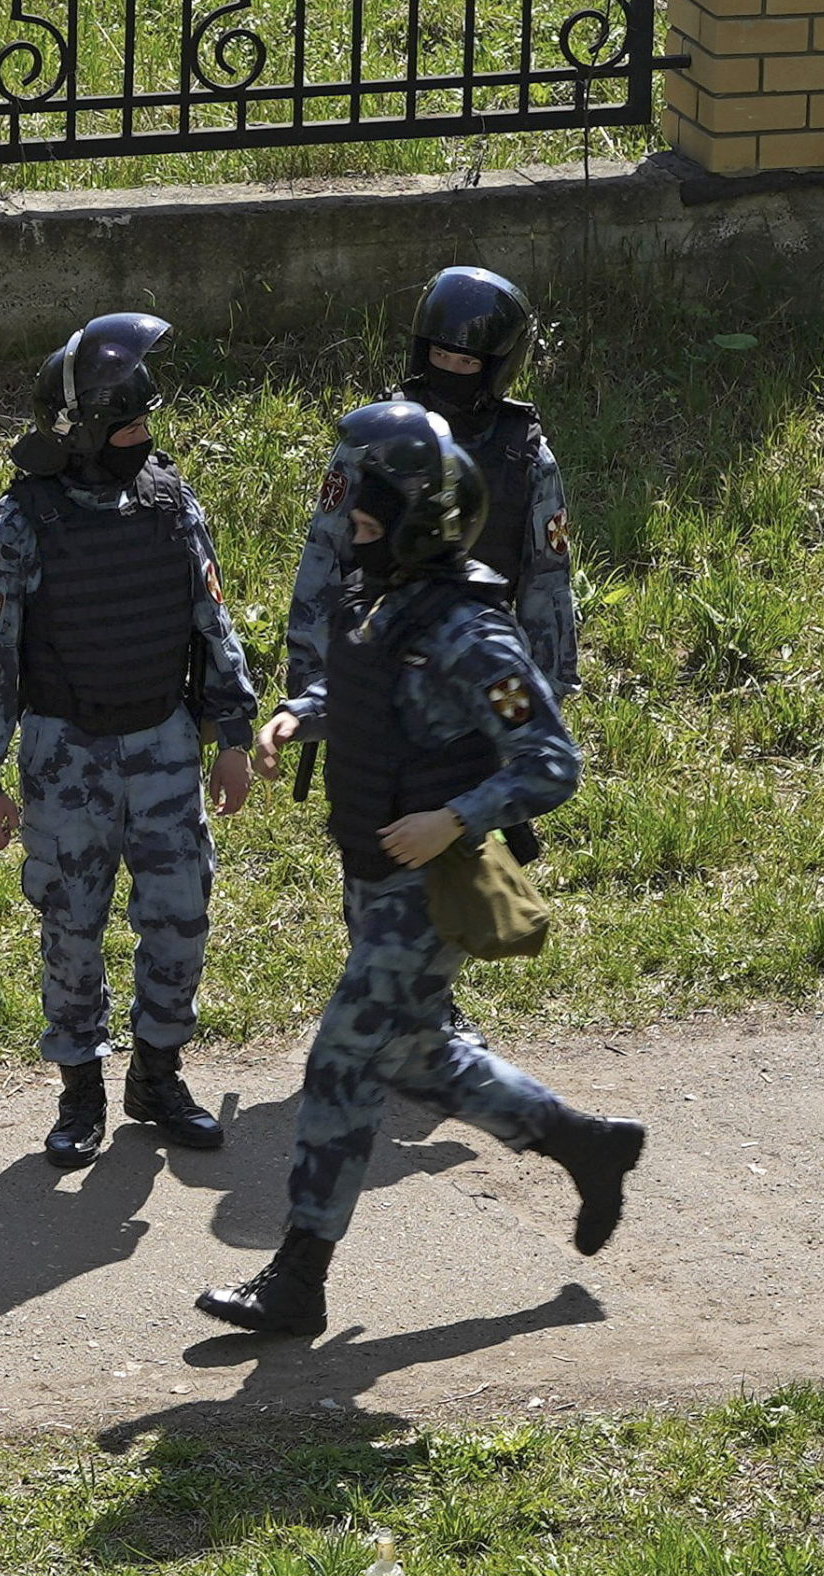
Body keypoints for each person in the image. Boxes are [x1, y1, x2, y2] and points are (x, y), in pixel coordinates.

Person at [198, 400, 643, 1337]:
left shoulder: (474, 634)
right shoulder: (388, 603)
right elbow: (363, 685)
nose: (349, 531)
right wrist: (296, 715)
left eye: (364, 520)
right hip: (370, 872)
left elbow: (551, 762)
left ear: (416, 525)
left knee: (342, 1062)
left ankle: (296, 1281)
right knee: (418, 1055)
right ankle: (585, 1144)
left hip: (423, 890)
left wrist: (455, 818)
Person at [0, 312, 259, 1172]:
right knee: (72, 923)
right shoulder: (21, 525)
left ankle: (156, 1076)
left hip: (164, 741)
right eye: (125, 427)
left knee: (180, 914)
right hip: (66, 752)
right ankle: (79, 1090)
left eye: (144, 426)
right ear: (80, 433)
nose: (142, 440)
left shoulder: (169, 500)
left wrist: (230, 733)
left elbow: (213, 620)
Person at [284, 266, 577, 716]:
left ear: (496, 368)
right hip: (380, 658)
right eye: (441, 356)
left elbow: (546, 583)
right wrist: (311, 677)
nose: (451, 371)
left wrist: (547, 692)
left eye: (467, 363)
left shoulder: (527, 458)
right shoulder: (376, 440)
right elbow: (325, 556)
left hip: (479, 664)